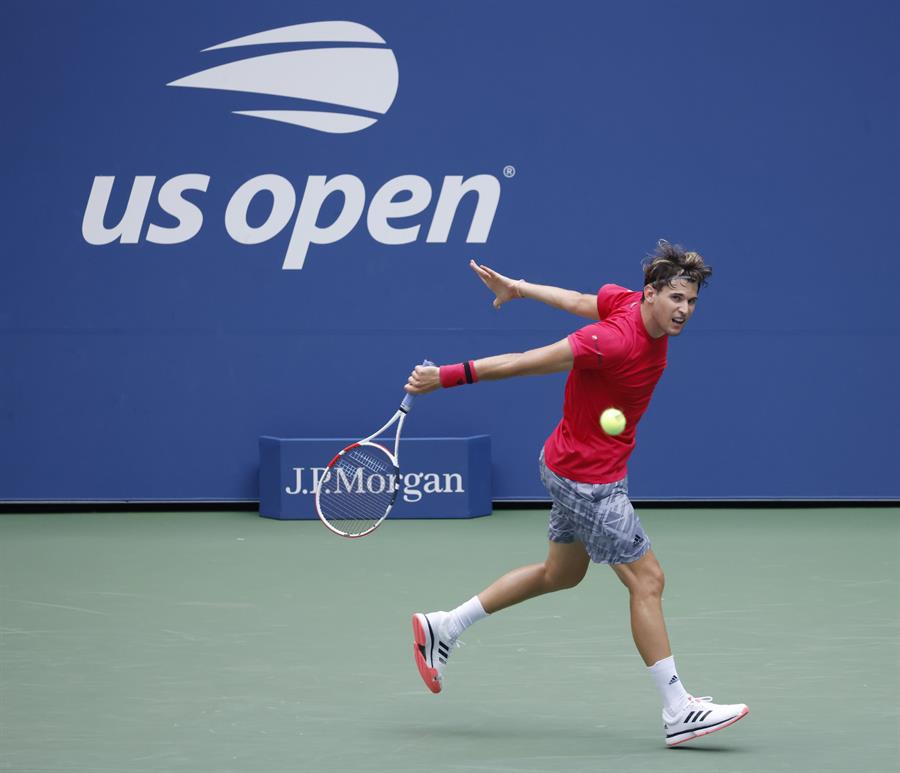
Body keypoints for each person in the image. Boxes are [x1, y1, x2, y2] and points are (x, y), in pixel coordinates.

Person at [404, 241, 749, 747]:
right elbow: (526, 361)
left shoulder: (628, 301)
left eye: (691, 302)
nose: (684, 311)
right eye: (676, 298)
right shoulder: (611, 342)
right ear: (651, 294)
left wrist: (517, 288)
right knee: (647, 581)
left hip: (568, 464)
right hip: (588, 480)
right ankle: (678, 710)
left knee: (559, 574)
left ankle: (443, 626)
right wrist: (446, 377)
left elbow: (576, 297)